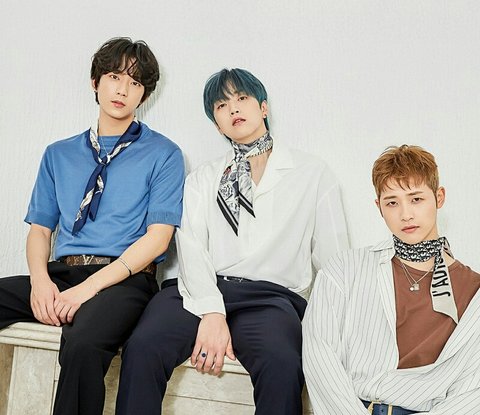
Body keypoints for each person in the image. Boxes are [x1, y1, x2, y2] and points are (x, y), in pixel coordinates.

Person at [116, 68, 349, 415]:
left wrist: (336, 329)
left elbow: (335, 261)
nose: (234, 109)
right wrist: (212, 312)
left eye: (242, 98)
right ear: (217, 125)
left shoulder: (312, 173)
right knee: (143, 346)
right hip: (200, 290)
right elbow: (191, 248)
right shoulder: (203, 178)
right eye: (222, 106)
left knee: (282, 362)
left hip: (271, 299)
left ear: (263, 107)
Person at [0, 37, 184, 415]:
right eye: (114, 76)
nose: (122, 89)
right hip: (64, 272)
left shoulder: (164, 154)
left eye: (135, 82)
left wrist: (87, 290)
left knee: (83, 344)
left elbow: (158, 239)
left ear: (144, 94)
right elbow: (40, 230)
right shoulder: (58, 153)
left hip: (124, 280)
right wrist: (40, 283)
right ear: (95, 81)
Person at [303, 145, 480, 414]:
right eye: (392, 202)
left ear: (439, 197)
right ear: (379, 207)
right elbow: (319, 355)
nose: (405, 214)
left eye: (416, 199)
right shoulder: (345, 269)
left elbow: (472, 391)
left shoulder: (473, 291)